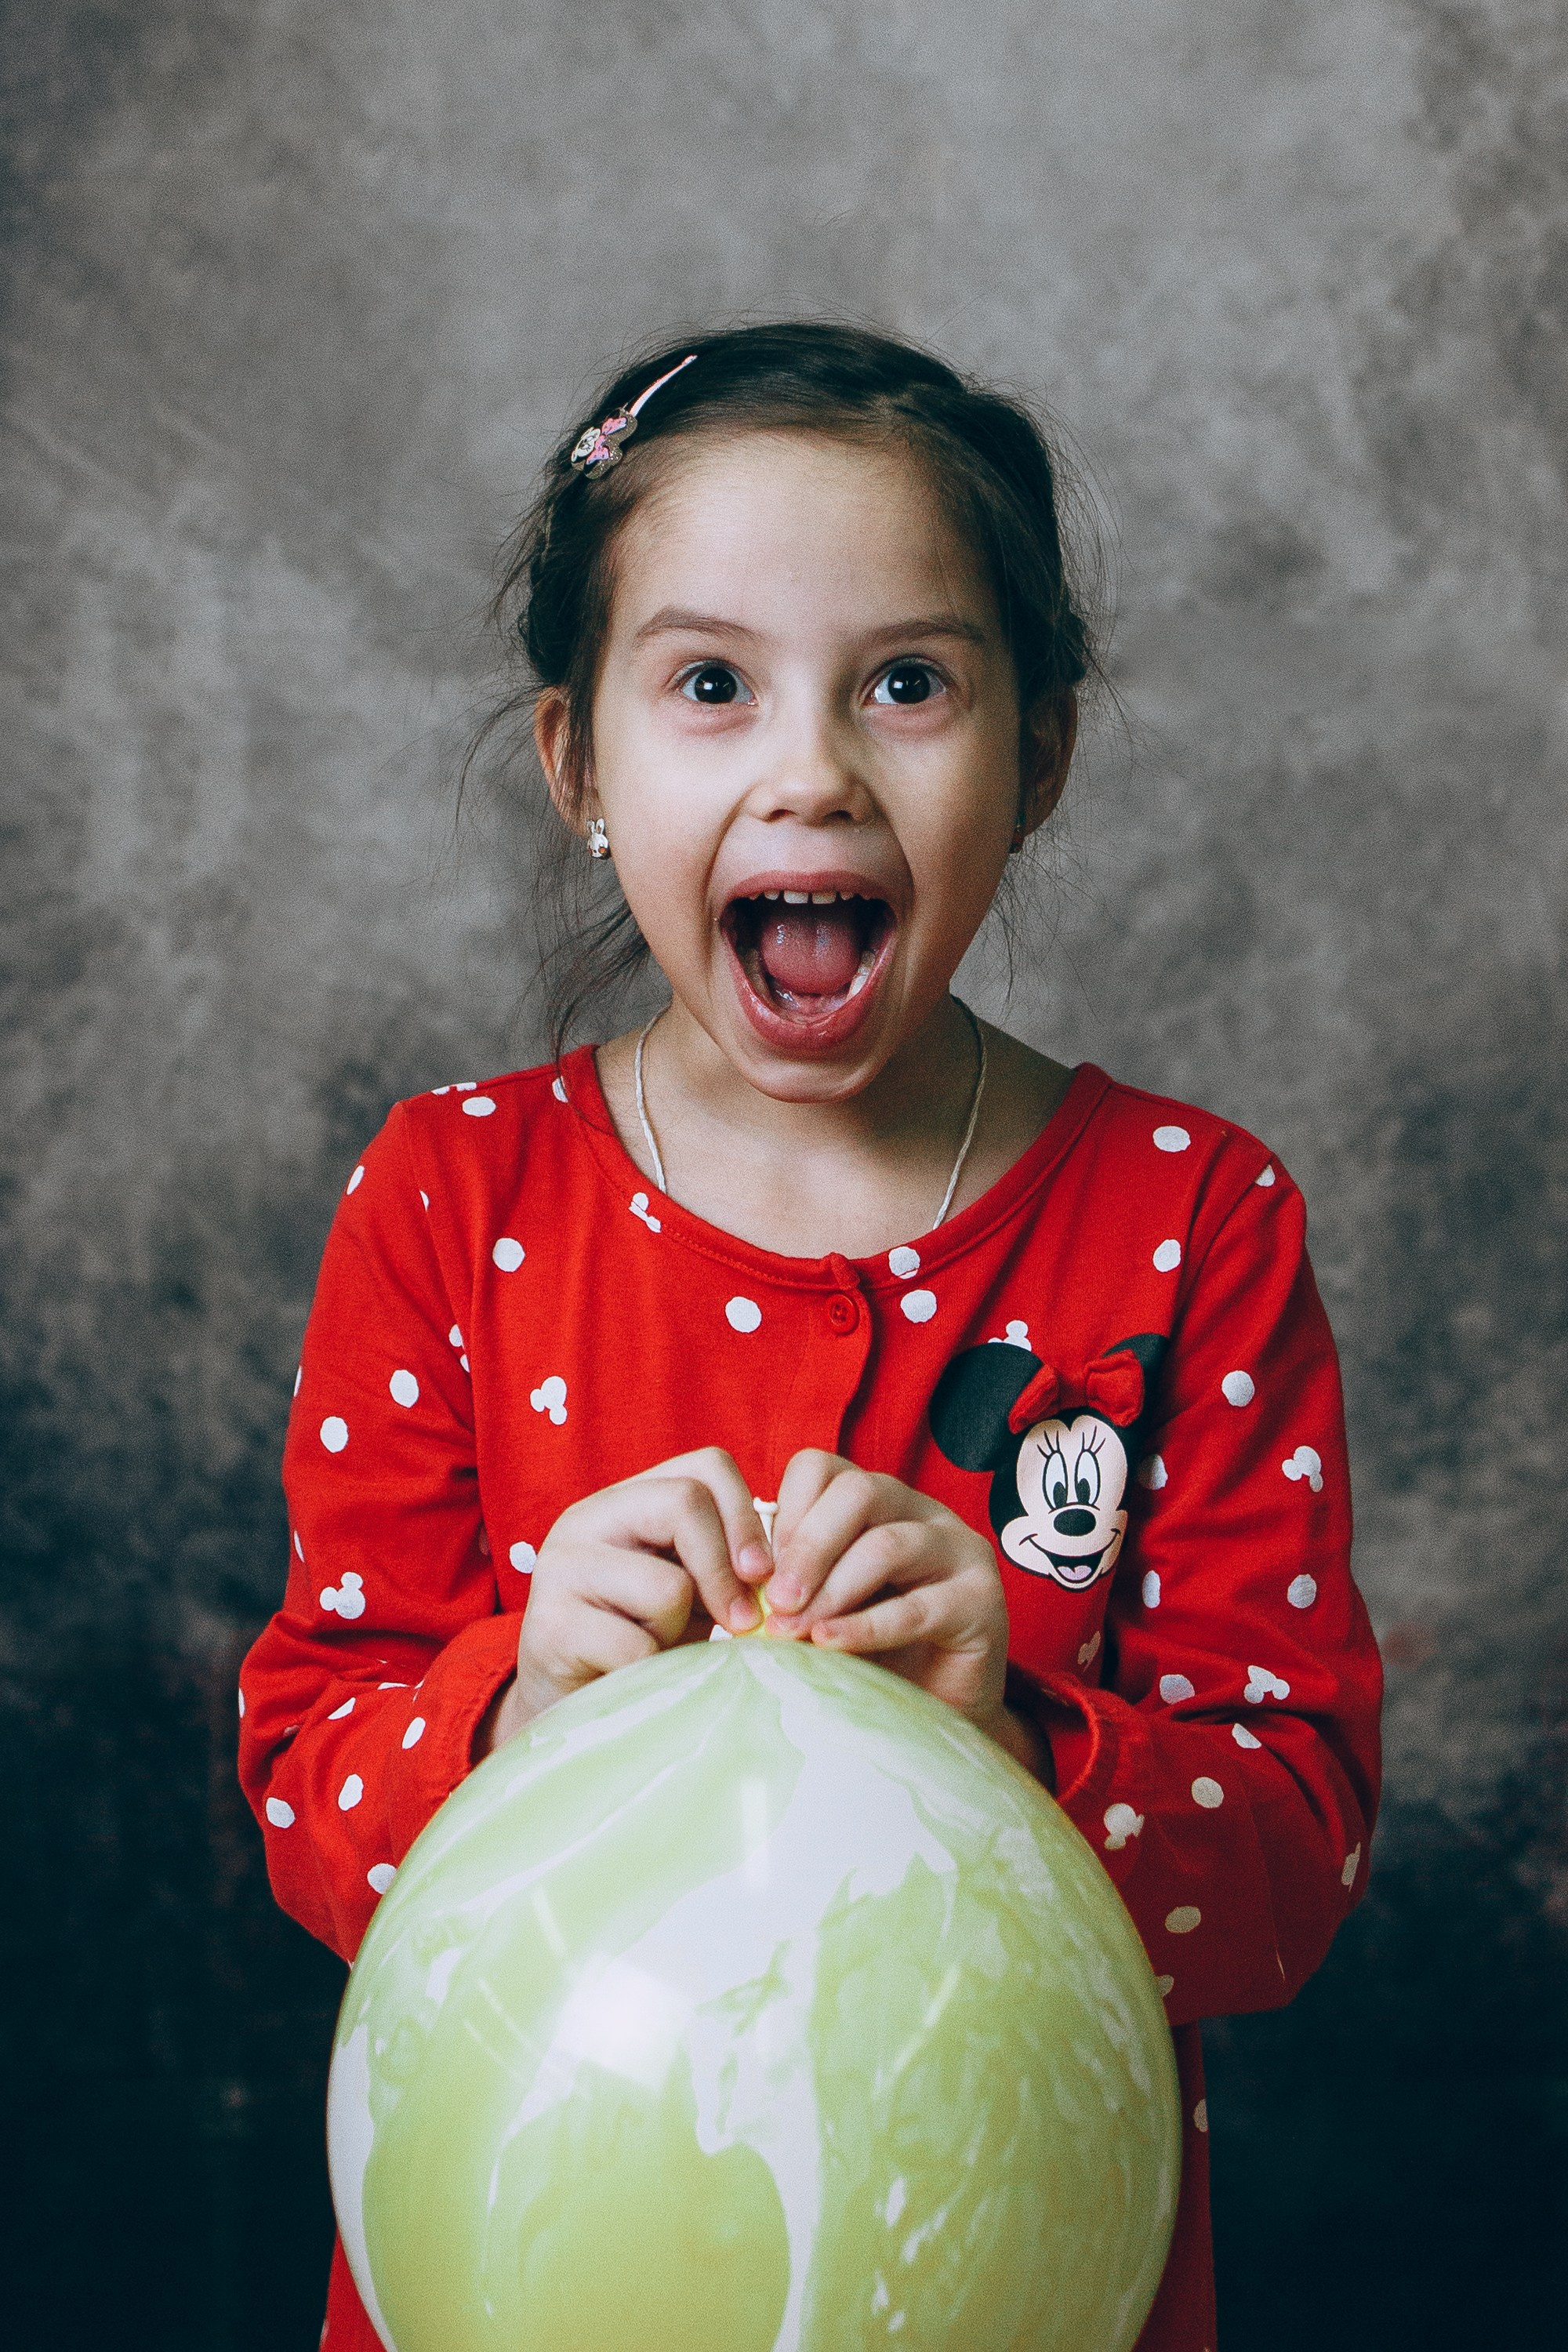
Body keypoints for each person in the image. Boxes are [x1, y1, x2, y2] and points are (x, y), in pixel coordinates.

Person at [239, 321, 1382, 2352]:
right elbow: (314, 1794)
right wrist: (515, 1710)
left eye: (910, 683)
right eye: (708, 684)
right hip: (525, 2268)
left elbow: (1289, 1864)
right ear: (577, 764)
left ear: (1043, 755)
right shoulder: (449, 1205)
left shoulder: (1192, 1226)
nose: (813, 768)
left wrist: (1014, 1738)